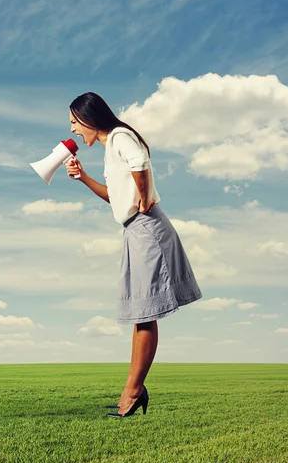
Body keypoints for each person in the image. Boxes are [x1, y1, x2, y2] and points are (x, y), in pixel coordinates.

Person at [65, 92, 202, 418]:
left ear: (88, 118)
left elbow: (140, 163)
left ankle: (132, 391)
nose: (72, 130)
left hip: (146, 227)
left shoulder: (120, 137)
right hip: (134, 230)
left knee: (144, 312)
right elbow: (115, 197)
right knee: (142, 311)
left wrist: (143, 198)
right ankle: (133, 389)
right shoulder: (110, 147)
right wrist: (84, 178)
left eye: (74, 122)